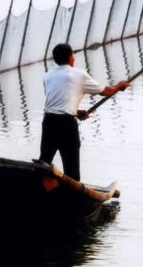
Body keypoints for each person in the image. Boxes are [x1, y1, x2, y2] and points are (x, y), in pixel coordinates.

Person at [39, 43, 129, 182]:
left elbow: (57, 101)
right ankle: (73, 197)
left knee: (44, 162)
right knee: (71, 166)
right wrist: (119, 87)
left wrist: (76, 111)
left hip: (49, 121)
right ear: (70, 58)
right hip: (66, 124)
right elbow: (105, 91)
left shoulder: (48, 76)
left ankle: (38, 191)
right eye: (73, 55)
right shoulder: (79, 74)